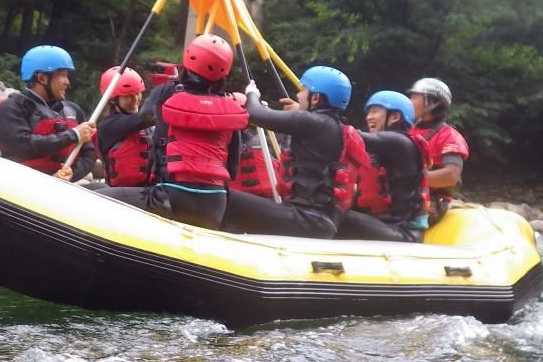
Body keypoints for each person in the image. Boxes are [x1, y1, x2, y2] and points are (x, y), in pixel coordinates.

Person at [103, 35, 249, 230]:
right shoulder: (230, 108)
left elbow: (145, 116)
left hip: (171, 197)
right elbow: (232, 169)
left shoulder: (165, 93)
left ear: (188, 59)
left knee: (96, 196)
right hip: (216, 204)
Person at [221, 66, 371, 239]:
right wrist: (300, 111)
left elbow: (254, 112)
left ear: (315, 98)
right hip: (319, 222)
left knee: (220, 195)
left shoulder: (312, 122)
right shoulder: (334, 126)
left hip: (303, 219)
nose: (299, 96)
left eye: (303, 90)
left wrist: (251, 94)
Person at [336, 91, 432, 242]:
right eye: (368, 112)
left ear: (394, 117)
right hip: (383, 225)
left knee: (332, 213)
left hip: (403, 233)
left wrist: (311, 118)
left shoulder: (400, 142)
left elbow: (346, 134)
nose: (369, 117)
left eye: (375, 111)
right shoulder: (380, 150)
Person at [0, 45, 96, 182]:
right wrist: (74, 135)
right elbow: (18, 147)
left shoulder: (73, 111)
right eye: (63, 76)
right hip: (19, 182)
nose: (68, 83)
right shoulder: (13, 107)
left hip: (57, 184)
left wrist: (73, 172)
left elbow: (89, 154)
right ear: (42, 78)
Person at [407, 78, 469, 224]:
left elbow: (451, 176)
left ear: (433, 103)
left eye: (415, 97)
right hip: (402, 194)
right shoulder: (407, 129)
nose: (409, 101)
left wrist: (407, 179)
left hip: (430, 202)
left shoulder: (449, 136)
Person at [95, 66, 153, 187]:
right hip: (120, 191)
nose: (135, 99)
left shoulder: (149, 126)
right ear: (112, 100)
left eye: (137, 93)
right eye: (128, 96)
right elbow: (145, 117)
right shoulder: (108, 126)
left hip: (150, 190)